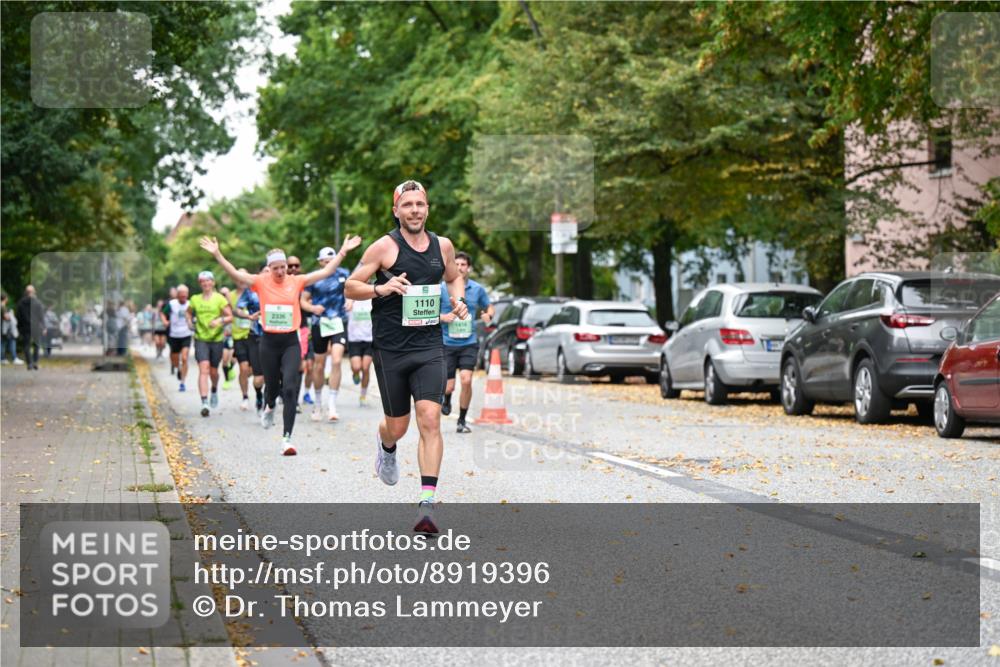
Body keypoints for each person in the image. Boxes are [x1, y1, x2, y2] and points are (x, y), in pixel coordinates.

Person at [344, 180, 468, 534]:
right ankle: (386, 445)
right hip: (390, 350)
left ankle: (426, 506)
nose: (415, 210)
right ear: (396, 210)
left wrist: (458, 299)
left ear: (428, 208)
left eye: (421, 204)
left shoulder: (442, 245)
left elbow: (453, 278)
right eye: (408, 204)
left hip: (429, 346)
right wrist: (380, 288)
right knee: (397, 426)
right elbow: (350, 285)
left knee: (430, 418)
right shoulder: (384, 247)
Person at [199, 235, 361, 455]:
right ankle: (269, 406)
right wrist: (217, 254)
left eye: (283, 267)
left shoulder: (296, 281)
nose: (281, 272)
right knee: (272, 386)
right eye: (276, 268)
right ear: (269, 268)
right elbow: (235, 274)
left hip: (289, 342)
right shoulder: (259, 282)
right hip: (268, 342)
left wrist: (343, 251)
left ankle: (287, 439)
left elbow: (325, 272)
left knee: (291, 386)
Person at [439, 251, 494, 433]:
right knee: (449, 385)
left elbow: (488, 306)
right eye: (457, 264)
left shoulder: (477, 289)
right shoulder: (441, 289)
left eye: (464, 265)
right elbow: (430, 313)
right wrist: (443, 317)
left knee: (467, 379)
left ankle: (461, 420)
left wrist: (489, 315)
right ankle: (446, 398)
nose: (460, 268)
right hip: (447, 343)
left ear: (468, 268)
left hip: (469, 342)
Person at [302, 246, 351, 422]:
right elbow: (303, 301)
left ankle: (332, 404)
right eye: (325, 261)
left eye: (332, 260)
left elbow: (352, 290)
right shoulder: (314, 278)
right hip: (319, 323)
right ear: (320, 262)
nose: (329, 263)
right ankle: (317, 403)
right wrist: (312, 307)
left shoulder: (344, 273)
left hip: (339, 320)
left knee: (337, 360)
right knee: (319, 365)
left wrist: (351, 301)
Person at [187, 271, 232, 417]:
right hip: (201, 338)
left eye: (208, 281)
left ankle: (214, 389)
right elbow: (188, 312)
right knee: (203, 369)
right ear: (200, 284)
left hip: (217, 339)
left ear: (213, 283)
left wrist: (219, 321)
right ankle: (204, 402)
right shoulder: (194, 299)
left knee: (213, 371)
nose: (206, 284)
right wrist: (189, 322)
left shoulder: (219, 299)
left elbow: (230, 316)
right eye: (202, 281)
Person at [234, 267, 267, 414]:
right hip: (256, 336)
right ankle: (257, 395)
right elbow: (237, 309)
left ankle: (270, 399)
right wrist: (249, 316)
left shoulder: (283, 288)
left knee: (277, 373)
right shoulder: (251, 291)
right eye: (265, 271)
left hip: (279, 336)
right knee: (258, 377)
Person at [286, 255, 313, 411]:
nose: (294, 269)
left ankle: (294, 399)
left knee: (300, 366)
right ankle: (284, 393)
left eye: (297, 265)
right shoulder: (279, 283)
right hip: (281, 330)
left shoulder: (305, 285)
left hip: (301, 329)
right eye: (291, 266)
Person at [229, 274, 256, 411]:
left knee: (252, 370)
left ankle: (250, 384)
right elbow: (228, 312)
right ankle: (245, 396)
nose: (241, 280)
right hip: (238, 336)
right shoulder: (230, 295)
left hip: (253, 335)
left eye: (244, 278)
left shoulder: (254, 292)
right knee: (244, 368)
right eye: (239, 278)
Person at [345, 293, 374, 407]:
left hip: (369, 339)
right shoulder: (350, 298)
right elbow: (344, 309)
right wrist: (349, 303)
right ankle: (355, 373)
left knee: (366, 368)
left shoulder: (372, 298)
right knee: (357, 367)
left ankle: (363, 395)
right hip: (354, 339)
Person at [163, 285, 193, 392]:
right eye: (181, 296)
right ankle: (178, 369)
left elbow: (195, 315)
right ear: (177, 295)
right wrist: (165, 321)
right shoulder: (172, 304)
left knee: (184, 358)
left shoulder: (190, 304)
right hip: (174, 335)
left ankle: (182, 383)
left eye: (185, 296)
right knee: (174, 359)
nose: (183, 298)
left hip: (186, 334)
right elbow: (162, 313)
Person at [16, 285, 45, 370]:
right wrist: (43, 326)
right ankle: (35, 362)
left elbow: (18, 316)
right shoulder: (38, 302)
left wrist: (19, 327)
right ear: (34, 292)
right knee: (36, 345)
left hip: (25, 327)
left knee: (26, 345)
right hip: (36, 327)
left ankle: (29, 363)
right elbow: (41, 316)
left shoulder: (21, 303)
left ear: (26, 292)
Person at [1, 293, 22, 364]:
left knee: (3, 343)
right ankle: (13, 358)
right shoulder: (2, 307)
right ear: (5, 298)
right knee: (11, 342)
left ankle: (3, 358)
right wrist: (11, 314)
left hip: (3, 329)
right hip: (6, 329)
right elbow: (6, 317)